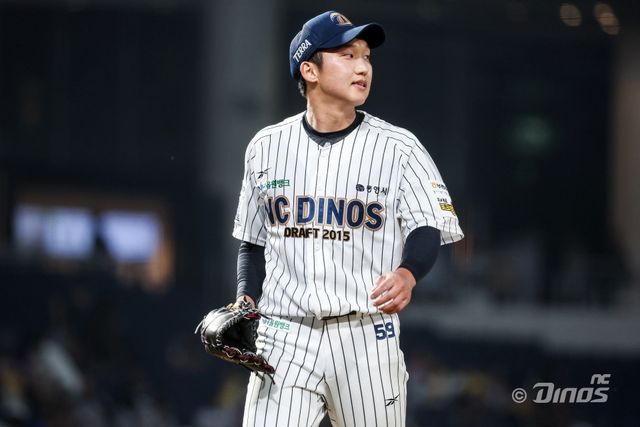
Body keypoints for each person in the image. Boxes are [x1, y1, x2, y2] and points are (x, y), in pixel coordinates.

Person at [231, 10, 464, 427]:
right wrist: (246, 298)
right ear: (310, 70)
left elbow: (427, 226)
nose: (363, 67)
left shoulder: (399, 147)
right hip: (285, 335)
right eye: (347, 55)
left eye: (367, 57)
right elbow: (253, 241)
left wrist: (408, 273)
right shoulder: (266, 146)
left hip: (365, 334)